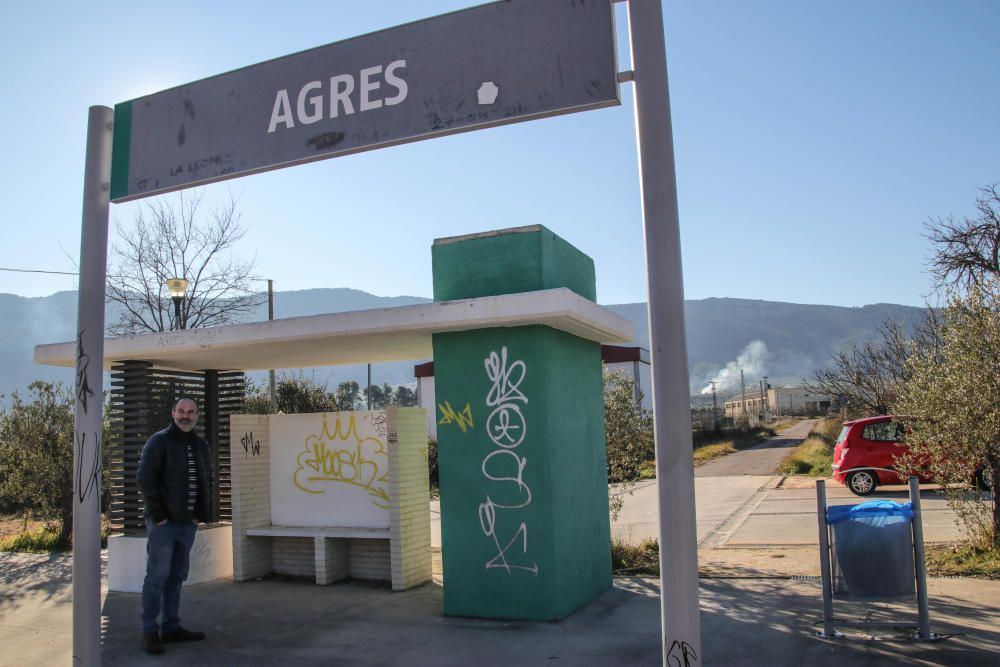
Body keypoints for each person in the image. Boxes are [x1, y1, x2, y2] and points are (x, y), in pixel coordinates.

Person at [137, 397, 213, 655]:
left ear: (197, 416)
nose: (185, 415)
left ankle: (170, 627)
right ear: (172, 413)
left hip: (187, 524)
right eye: (181, 411)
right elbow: (145, 479)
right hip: (163, 525)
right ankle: (150, 632)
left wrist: (200, 514)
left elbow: (207, 479)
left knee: (177, 576)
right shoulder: (159, 441)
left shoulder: (201, 445)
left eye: (190, 412)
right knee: (157, 577)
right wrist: (158, 516)